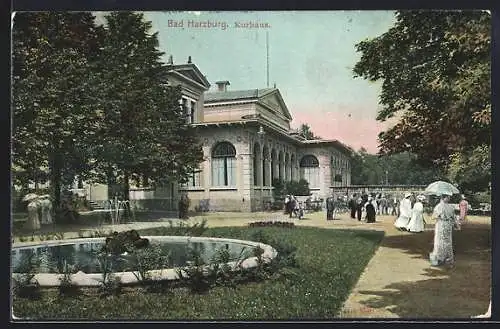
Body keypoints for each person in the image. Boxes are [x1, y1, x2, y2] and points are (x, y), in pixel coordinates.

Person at [429, 194, 456, 266]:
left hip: (441, 224)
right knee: (448, 241)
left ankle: (439, 258)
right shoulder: (451, 207)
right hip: (448, 225)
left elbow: (433, 217)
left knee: (439, 241)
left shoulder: (439, 206)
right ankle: (448, 258)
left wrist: (439, 217)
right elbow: (454, 218)